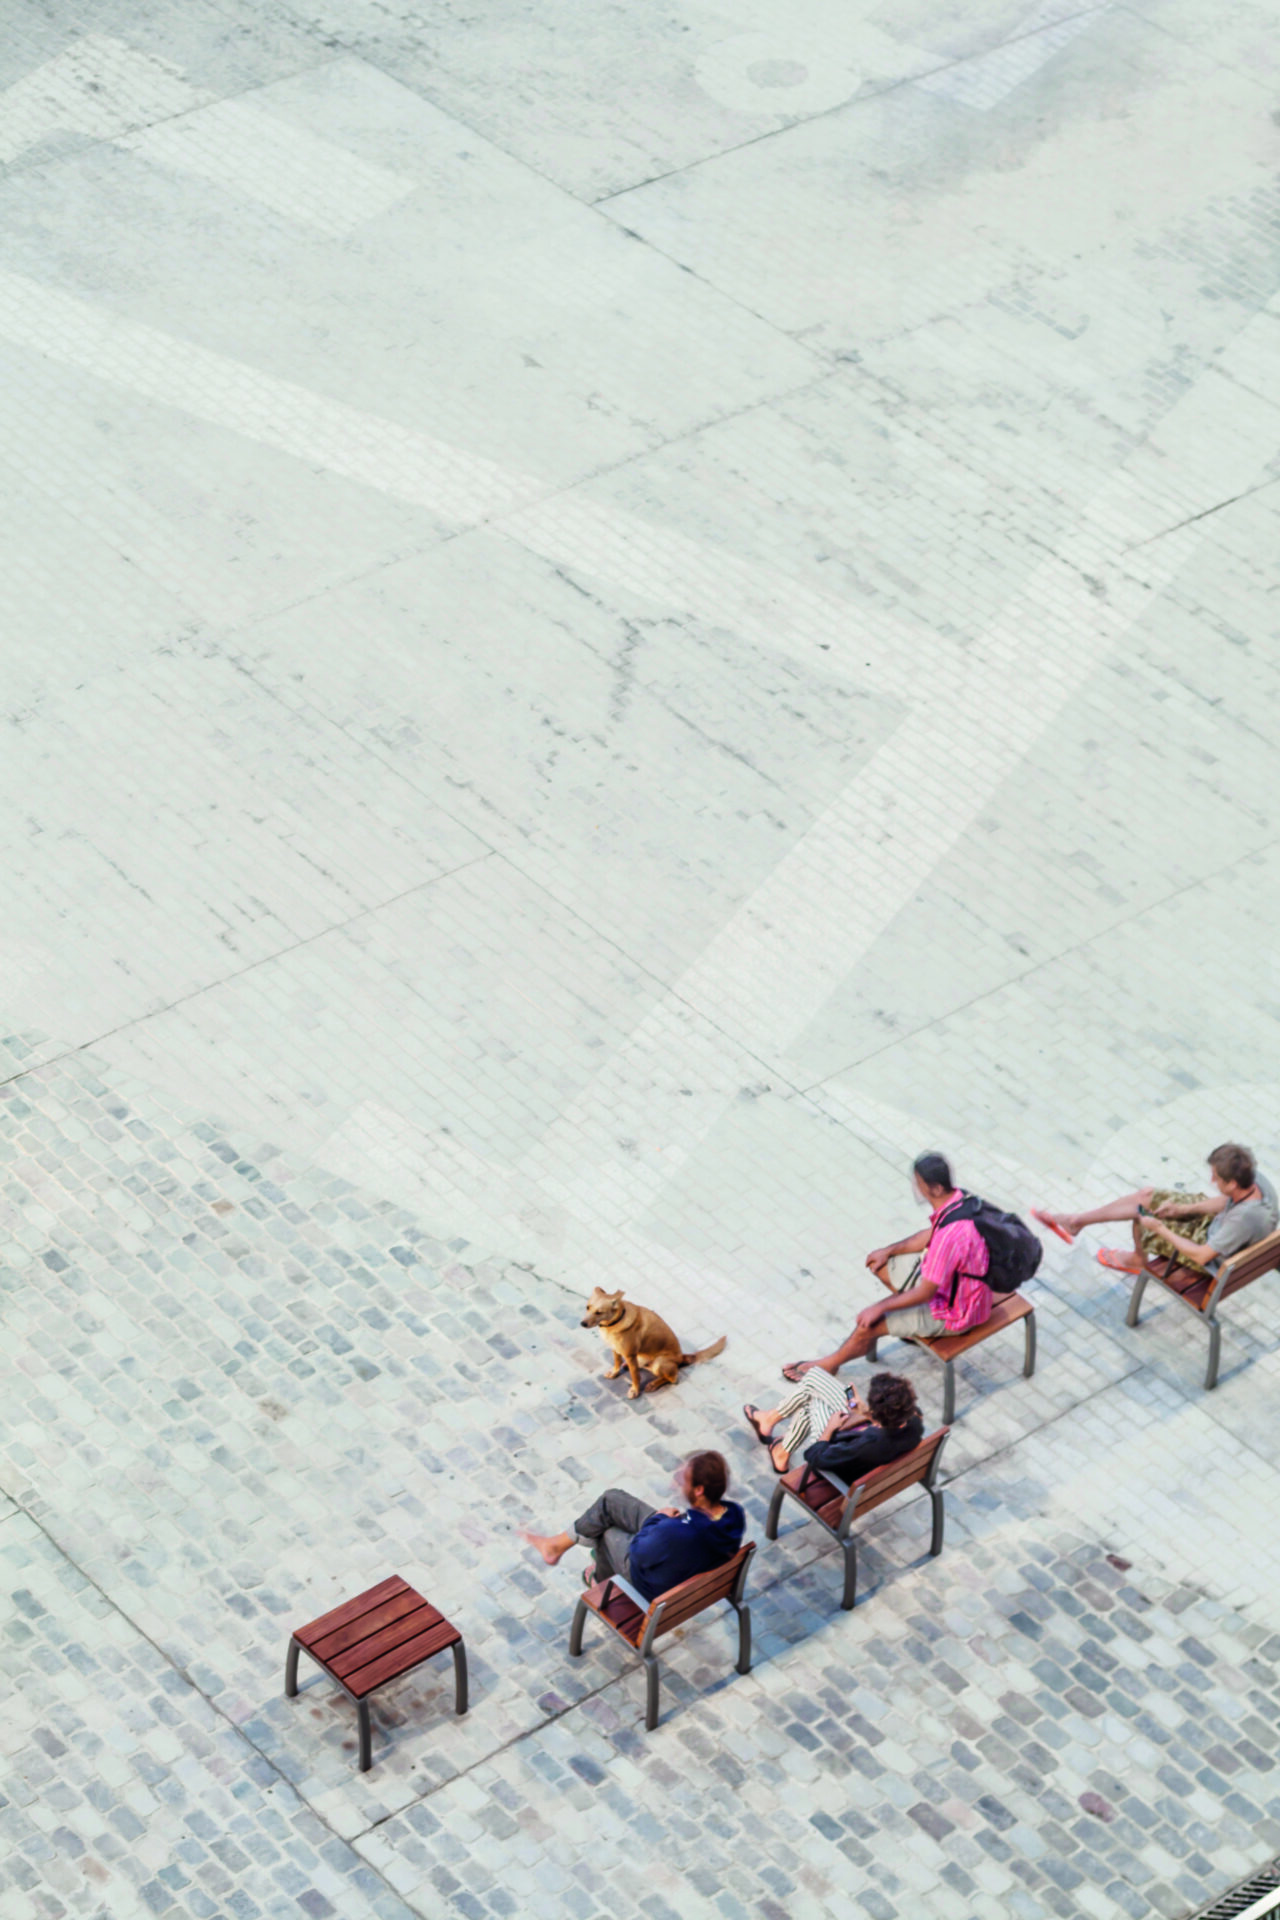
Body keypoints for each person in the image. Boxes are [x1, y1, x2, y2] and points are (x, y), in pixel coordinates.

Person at [782, 1152, 992, 1383]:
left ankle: (830, 1364)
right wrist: (889, 1250)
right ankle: (907, 1323)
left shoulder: (948, 1239)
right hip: (967, 1289)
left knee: (870, 1323)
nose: (915, 1188)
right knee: (881, 1265)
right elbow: (931, 1233)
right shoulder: (963, 1199)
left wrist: (879, 1307)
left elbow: (926, 1292)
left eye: (919, 1183)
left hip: (958, 1312)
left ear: (936, 1188)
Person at [520, 1451, 744, 1602]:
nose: (675, 1483)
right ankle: (557, 1545)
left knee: (607, 1533)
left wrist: (659, 1519)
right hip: (683, 1565)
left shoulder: (675, 1532)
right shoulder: (733, 1514)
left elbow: (638, 1553)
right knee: (611, 1501)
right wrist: (672, 1522)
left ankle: (600, 1581)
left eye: (682, 1479)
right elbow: (685, 1535)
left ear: (699, 1490)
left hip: (652, 1584)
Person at [1033, 1142, 1277, 1275]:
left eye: (1217, 1178)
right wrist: (1182, 1209)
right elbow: (1225, 1202)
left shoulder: (1244, 1220)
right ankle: (1077, 1221)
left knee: (1143, 1217)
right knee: (1147, 1197)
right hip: (1219, 1229)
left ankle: (1138, 1259)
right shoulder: (1253, 1181)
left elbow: (1203, 1255)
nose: (1212, 1181)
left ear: (1232, 1183)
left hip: (1212, 1257)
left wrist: (1161, 1228)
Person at [744, 1369, 923, 1476]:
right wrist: (865, 1412)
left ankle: (775, 1435)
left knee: (811, 1400)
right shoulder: (914, 1419)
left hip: (836, 1458)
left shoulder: (868, 1444)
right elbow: (885, 1427)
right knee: (814, 1378)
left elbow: (815, 1457)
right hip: (860, 1437)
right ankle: (779, 1447)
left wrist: (829, 1429)